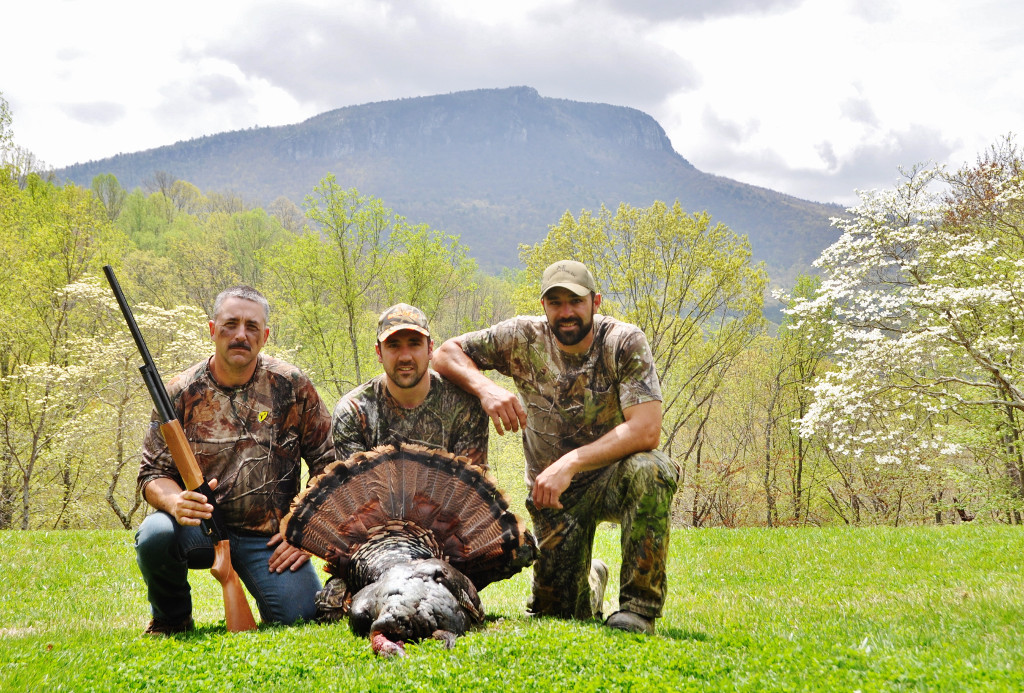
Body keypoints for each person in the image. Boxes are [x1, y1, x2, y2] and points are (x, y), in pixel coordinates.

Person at [433, 260, 679, 634]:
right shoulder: (521, 336)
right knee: (557, 612)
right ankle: (590, 581)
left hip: (613, 476)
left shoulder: (623, 341)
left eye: (575, 302)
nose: (566, 312)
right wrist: (487, 388)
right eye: (555, 302)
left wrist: (571, 463)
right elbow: (446, 353)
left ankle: (637, 609)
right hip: (553, 496)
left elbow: (646, 430)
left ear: (596, 302)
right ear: (544, 305)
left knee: (652, 468)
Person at [134, 285, 335, 635]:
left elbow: (328, 464)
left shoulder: (292, 384)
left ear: (265, 336)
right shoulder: (179, 393)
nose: (240, 334)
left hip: (270, 538)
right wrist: (175, 500)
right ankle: (172, 617)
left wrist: (304, 528)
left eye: (251, 326)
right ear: (213, 330)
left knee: (301, 614)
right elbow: (152, 474)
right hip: (199, 530)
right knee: (155, 535)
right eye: (230, 324)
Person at [333, 302, 489, 468]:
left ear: (430, 349)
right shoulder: (352, 412)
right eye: (394, 345)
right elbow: (355, 490)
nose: (405, 357)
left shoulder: (465, 406)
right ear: (379, 353)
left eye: (414, 344)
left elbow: (470, 489)